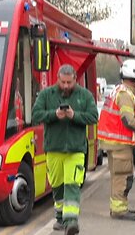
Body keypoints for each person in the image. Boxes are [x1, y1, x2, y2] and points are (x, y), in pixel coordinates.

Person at [32, 64, 98, 235]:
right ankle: (60, 217)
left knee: (72, 184)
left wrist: (74, 116)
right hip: (54, 149)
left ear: (75, 79)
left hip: (76, 149)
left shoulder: (85, 96)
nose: (66, 86)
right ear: (58, 80)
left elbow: (93, 117)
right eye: (63, 82)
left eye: (69, 82)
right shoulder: (47, 95)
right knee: (58, 185)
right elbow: (36, 115)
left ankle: (71, 221)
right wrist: (54, 115)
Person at [98, 59, 135, 221]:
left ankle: (117, 208)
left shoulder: (118, 91)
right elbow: (128, 121)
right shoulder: (125, 95)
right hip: (120, 144)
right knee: (123, 177)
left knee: (117, 176)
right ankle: (120, 210)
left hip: (113, 142)